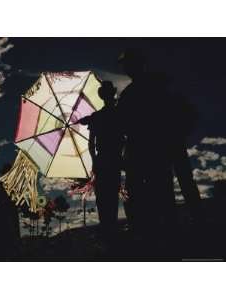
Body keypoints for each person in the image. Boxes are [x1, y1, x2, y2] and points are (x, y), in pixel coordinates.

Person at [117, 50, 202, 242]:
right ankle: (167, 228)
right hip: (154, 150)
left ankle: (163, 231)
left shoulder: (138, 91)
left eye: (129, 64)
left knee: (160, 189)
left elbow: (124, 124)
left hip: (153, 150)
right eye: (126, 65)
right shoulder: (152, 86)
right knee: (161, 189)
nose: (127, 68)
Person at [78, 81, 124, 240]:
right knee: (110, 200)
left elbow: (91, 144)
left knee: (104, 201)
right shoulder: (118, 114)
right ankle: (110, 234)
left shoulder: (97, 117)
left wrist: (94, 160)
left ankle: (108, 234)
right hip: (114, 160)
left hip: (103, 161)